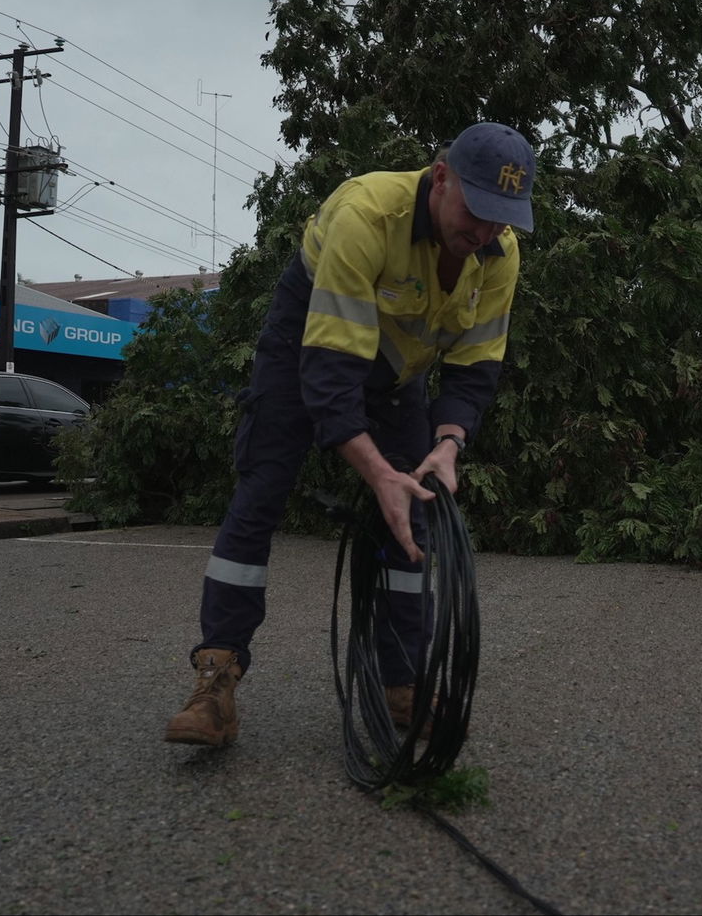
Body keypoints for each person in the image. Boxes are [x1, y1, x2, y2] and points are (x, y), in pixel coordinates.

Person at [164, 122, 535, 747]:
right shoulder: (367, 213)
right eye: (476, 211)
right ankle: (215, 681)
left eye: (502, 219)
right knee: (262, 492)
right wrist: (377, 472)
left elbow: (475, 366)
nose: (485, 232)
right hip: (307, 343)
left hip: (398, 370)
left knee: (411, 518)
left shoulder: (499, 253)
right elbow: (332, 373)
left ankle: (400, 682)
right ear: (440, 179)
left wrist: (447, 445)